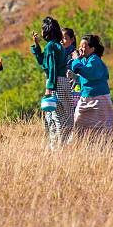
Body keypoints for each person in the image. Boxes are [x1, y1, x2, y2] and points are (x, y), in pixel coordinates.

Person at [31, 17, 74, 148]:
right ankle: (66, 143)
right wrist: (37, 46)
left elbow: (51, 67)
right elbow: (45, 61)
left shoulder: (50, 47)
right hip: (64, 82)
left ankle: (58, 146)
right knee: (66, 115)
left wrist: (50, 87)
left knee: (55, 116)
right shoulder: (58, 46)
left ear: (46, 32)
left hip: (55, 83)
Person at [70, 35, 113, 141]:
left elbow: (88, 73)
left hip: (99, 100)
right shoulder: (85, 60)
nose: (80, 48)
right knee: (78, 125)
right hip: (86, 99)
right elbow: (86, 78)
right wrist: (75, 78)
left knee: (102, 130)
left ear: (92, 49)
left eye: (84, 46)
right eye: (80, 46)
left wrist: (76, 59)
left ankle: (103, 151)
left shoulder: (95, 60)